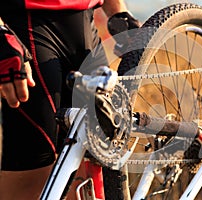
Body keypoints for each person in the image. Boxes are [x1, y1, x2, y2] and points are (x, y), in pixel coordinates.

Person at [0, 1, 139, 199]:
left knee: (86, 183)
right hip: (28, 31)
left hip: (87, 32)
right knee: (33, 182)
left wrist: (118, 12)